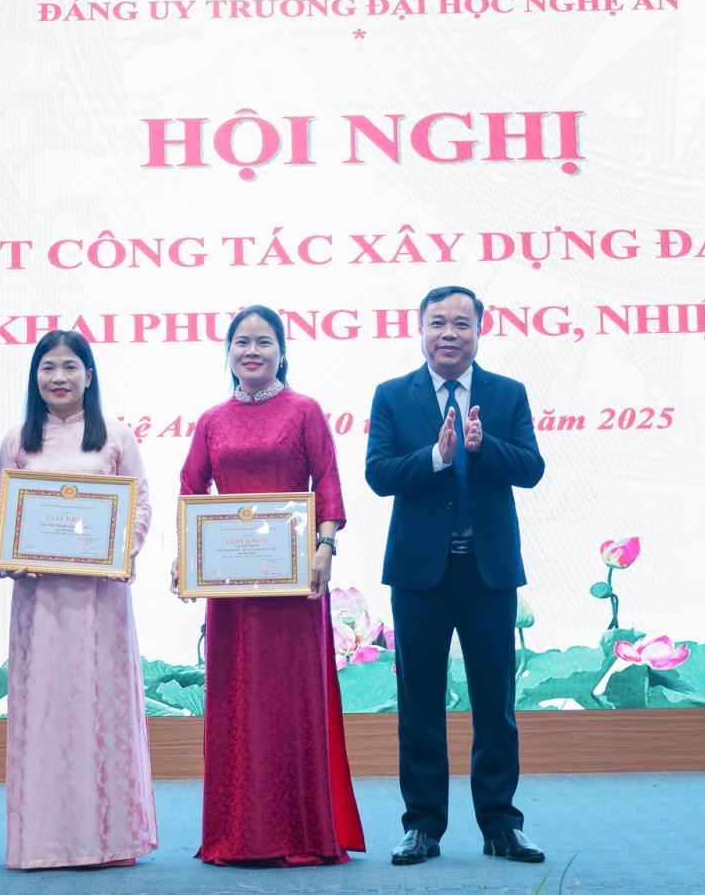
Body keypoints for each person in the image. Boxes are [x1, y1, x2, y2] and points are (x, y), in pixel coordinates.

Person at [171, 304, 365, 865]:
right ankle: (238, 835)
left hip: (294, 587)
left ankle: (300, 835)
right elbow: (191, 489)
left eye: (264, 342)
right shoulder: (212, 420)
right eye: (241, 342)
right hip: (232, 592)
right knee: (236, 706)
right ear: (228, 352)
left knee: (290, 703)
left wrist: (326, 546)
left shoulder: (304, 410)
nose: (252, 351)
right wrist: (187, 554)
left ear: (282, 351)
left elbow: (328, 480)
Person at [364, 286, 546, 867]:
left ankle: (501, 824)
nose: (449, 333)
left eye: (461, 324)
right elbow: (378, 475)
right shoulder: (393, 395)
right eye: (438, 322)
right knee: (419, 704)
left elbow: (532, 469)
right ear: (420, 330)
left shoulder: (506, 393)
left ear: (478, 332)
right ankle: (422, 826)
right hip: (419, 575)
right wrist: (437, 458)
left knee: (496, 703)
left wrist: (483, 446)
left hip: (488, 572)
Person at [0, 330, 158, 869]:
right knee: (44, 712)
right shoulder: (18, 440)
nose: (58, 377)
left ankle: (110, 841)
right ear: (34, 377)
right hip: (39, 602)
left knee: (99, 710)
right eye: (47, 367)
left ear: (89, 375)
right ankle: (42, 843)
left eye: (69, 367)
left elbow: (139, 507)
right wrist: (11, 554)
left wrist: (122, 551)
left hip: (98, 602)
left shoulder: (116, 437)